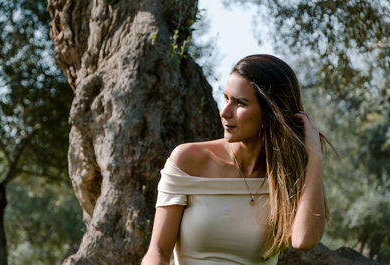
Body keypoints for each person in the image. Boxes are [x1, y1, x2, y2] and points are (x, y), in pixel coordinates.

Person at [141, 54, 329, 265]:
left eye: (240, 103)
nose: (224, 112)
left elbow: (304, 239)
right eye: (226, 98)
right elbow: (158, 251)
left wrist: (314, 157)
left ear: (271, 112)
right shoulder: (188, 161)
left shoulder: (289, 175)